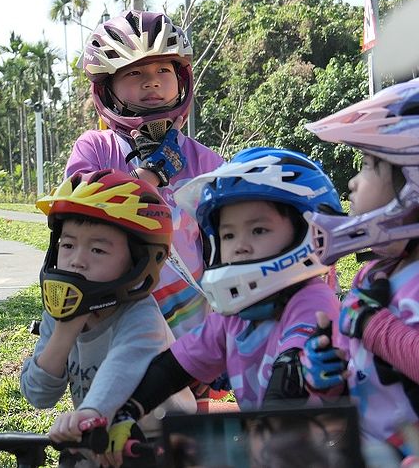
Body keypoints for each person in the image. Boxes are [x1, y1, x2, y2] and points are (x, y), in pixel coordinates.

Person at [101, 148, 344, 467]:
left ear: (309, 231)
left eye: (258, 230)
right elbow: (174, 366)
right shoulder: (239, 314)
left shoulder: (312, 301)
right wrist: (127, 411)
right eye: (228, 234)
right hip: (276, 450)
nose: (239, 245)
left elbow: (289, 380)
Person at [20, 170, 195, 467]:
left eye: (98, 249)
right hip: (97, 436)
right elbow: (39, 395)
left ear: (139, 261)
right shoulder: (62, 308)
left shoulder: (141, 317)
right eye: (68, 245)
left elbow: (120, 372)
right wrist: (64, 330)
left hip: (162, 445)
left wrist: (88, 415)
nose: (77, 260)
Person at [68, 10, 225, 340]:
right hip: (108, 327)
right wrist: (149, 173)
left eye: (163, 70)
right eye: (134, 72)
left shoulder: (208, 163)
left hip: (190, 338)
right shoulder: (94, 148)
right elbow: (79, 220)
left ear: (181, 79)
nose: (151, 81)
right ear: (107, 89)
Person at [300, 78, 419, 468]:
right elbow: (362, 383)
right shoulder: (370, 276)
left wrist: (371, 323)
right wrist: (328, 379)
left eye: (368, 165)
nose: (352, 182)